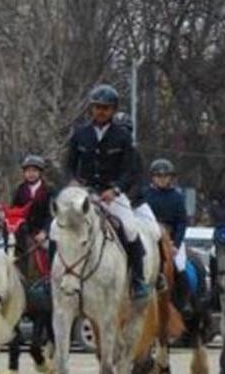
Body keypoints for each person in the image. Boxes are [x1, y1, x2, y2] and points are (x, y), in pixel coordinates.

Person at [65, 84, 149, 299]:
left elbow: (129, 170)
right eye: (97, 107)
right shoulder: (80, 134)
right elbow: (69, 164)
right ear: (91, 109)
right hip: (84, 193)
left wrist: (116, 189)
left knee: (130, 229)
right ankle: (53, 277)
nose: (101, 111)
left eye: (106, 108)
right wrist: (73, 181)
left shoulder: (122, 136)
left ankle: (138, 279)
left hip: (111, 195)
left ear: (113, 110)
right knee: (60, 226)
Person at [7, 154, 54, 374]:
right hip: (23, 234)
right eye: (27, 170)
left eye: (34, 170)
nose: (30, 173)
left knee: (53, 254)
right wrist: (14, 227)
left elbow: (51, 215)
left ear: (40, 172)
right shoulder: (19, 190)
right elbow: (14, 212)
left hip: (43, 235)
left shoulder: (49, 190)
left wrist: (45, 232)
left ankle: (55, 286)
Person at [143, 158, 191, 310]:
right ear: (153, 177)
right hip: (150, 239)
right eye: (158, 176)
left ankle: (184, 302)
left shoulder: (177, 197)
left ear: (170, 178)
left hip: (171, 239)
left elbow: (182, 222)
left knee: (180, 267)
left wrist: (176, 244)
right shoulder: (145, 195)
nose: (162, 179)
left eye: (165, 176)